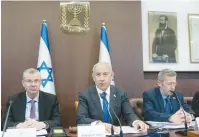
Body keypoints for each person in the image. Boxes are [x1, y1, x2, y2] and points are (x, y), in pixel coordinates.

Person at [76, 62, 149, 133]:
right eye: (98, 74)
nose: (102, 78)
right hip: (96, 134)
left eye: (105, 74)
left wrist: (136, 121)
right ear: (93, 77)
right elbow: (81, 118)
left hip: (116, 134)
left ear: (111, 75)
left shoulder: (121, 94)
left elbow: (129, 114)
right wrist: (98, 124)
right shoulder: (85, 95)